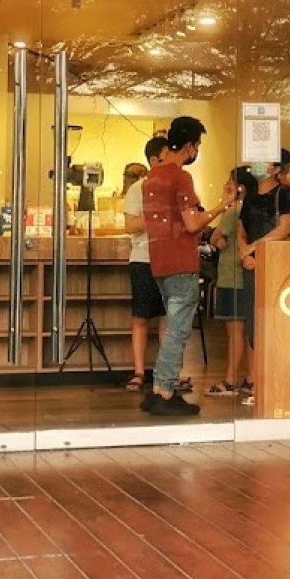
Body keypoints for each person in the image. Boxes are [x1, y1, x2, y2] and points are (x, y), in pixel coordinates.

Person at [143, 116, 235, 416]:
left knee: (171, 329)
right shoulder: (180, 178)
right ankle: (166, 391)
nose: (197, 151)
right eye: (197, 145)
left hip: (159, 260)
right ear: (189, 146)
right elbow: (193, 223)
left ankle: (158, 389)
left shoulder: (151, 177)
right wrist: (223, 205)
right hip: (181, 260)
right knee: (178, 331)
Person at [238, 149, 290, 404]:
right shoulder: (250, 196)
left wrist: (254, 248)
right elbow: (241, 229)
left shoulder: (285, 194)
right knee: (254, 325)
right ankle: (258, 382)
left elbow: (285, 228)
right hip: (251, 266)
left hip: (276, 266)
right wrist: (244, 252)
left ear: (275, 168)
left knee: (274, 323)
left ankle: (276, 382)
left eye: (263, 161)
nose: (256, 164)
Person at [122, 138, 167, 390]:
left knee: (167, 318)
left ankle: (167, 372)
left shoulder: (178, 186)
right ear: (153, 160)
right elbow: (130, 226)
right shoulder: (137, 189)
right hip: (143, 258)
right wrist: (156, 216)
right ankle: (139, 372)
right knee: (141, 317)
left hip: (170, 258)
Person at [208, 166, 257, 397]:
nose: (226, 185)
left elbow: (215, 236)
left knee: (235, 331)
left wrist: (217, 238)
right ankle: (252, 378)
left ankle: (229, 380)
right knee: (250, 332)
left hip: (231, 276)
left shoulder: (234, 212)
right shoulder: (255, 210)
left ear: (240, 187)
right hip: (248, 277)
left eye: (230, 181)